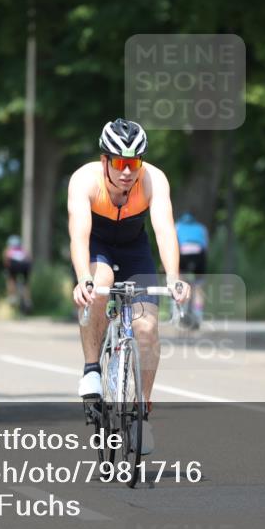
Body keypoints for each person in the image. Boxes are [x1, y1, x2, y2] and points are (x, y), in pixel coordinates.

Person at [68, 118, 190, 455]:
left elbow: (164, 229)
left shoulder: (153, 180)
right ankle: (92, 368)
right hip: (98, 246)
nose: (127, 172)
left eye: (134, 163)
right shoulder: (84, 180)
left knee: (147, 328)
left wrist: (174, 277)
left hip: (135, 250)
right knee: (101, 283)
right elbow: (79, 232)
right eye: (120, 163)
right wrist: (83, 278)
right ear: (105, 160)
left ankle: (141, 415)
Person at [175, 212, 209, 325]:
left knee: (180, 281)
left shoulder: (177, 226)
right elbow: (206, 246)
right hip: (200, 255)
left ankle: (180, 313)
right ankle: (198, 315)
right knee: (198, 286)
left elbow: (173, 245)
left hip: (183, 254)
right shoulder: (201, 228)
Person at [3, 234, 32, 314]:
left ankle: (12, 297)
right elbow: (29, 257)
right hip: (25, 265)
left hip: (14, 264)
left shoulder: (9, 250)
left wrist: (6, 268)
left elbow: (6, 259)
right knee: (26, 283)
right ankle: (27, 300)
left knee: (11, 279)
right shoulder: (22, 250)